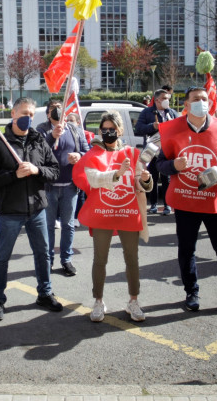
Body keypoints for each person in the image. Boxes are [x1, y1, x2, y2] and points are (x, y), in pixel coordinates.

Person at [156, 86, 217, 319]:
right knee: (187, 250)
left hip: (215, 201)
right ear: (185, 105)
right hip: (186, 201)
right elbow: (160, 164)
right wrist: (174, 166)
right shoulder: (170, 129)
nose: (201, 103)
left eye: (204, 99)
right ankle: (191, 293)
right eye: (195, 99)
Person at [0, 96, 62, 321]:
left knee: (43, 254)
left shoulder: (39, 141)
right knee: (2, 258)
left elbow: (54, 170)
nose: (28, 118)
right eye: (24, 113)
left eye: (31, 115)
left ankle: (45, 293)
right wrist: (13, 175)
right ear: (13, 114)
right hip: (10, 212)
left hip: (37, 209)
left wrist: (37, 170)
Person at [72, 110, 153, 322]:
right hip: (102, 213)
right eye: (104, 129)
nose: (108, 133)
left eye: (112, 129)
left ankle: (133, 301)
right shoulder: (93, 155)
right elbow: (93, 179)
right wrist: (116, 174)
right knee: (100, 259)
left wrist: (144, 178)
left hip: (128, 212)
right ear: (100, 130)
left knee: (132, 259)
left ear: (120, 131)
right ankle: (98, 301)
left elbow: (138, 184)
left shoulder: (132, 154)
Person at [36, 98, 90, 275]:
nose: (57, 110)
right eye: (53, 108)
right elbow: (38, 152)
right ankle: (48, 260)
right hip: (49, 187)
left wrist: (79, 155)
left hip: (70, 187)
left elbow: (86, 150)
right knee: (49, 226)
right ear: (48, 113)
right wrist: (53, 136)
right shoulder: (42, 130)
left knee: (68, 225)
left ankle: (66, 259)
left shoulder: (74, 129)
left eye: (60, 108)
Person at [133, 86, 180, 215]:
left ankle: (167, 205)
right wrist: (152, 126)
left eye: (168, 98)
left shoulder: (172, 113)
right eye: (164, 98)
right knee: (152, 177)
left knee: (167, 180)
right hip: (152, 151)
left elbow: (181, 128)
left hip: (168, 152)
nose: (167, 101)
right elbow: (138, 129)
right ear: (157, 100)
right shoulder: (147, 112)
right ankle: (153, 204)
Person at [67, 112, 93, 228]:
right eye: (67, 120)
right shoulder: (63, 133)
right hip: (66, 172)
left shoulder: (82, 134)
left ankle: (78, 216)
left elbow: (87, 152)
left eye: (71, 120)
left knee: (80, 195)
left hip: (79, 170)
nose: (68, 122)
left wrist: (78, 155)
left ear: (78, 122)